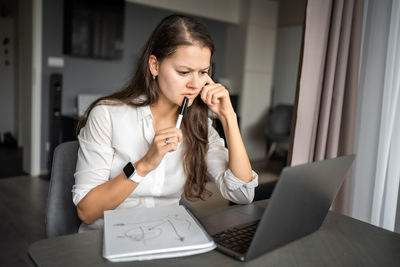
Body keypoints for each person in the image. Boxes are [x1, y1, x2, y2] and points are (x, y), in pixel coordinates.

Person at [72, 14, 258, 232]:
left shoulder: (200, 126)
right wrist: (143, 165)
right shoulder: (107, 116)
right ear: (154, 66)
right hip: (109, 238)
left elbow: (243, 194)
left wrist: (229, 118)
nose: (195, 84)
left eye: (203, 73)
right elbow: (86, 211)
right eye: (184, 72)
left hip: (168, 237)